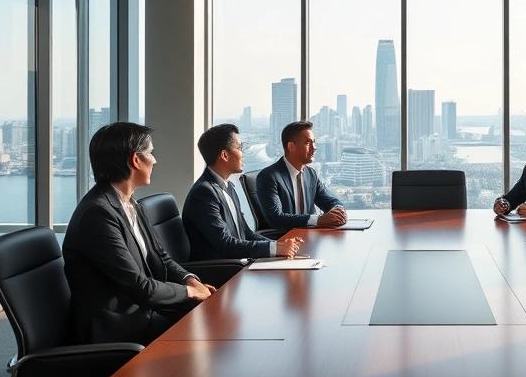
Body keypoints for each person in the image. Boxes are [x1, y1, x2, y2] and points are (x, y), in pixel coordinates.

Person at [63, 122, 215, 346]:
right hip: (119, 330)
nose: (155, 160)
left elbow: (162, 257)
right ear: (136, 160)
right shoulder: (97, 214)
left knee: (214, 324)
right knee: (207, 338)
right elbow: (141, 287)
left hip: (145, 313)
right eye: (151, 153)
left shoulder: (132, 205)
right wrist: (190, 293)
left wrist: (190, 280)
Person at [182, 124, 302, 260]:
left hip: (238, 263)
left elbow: (246, 233)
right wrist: (275, 249)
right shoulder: (203, 194)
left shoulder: (228, 187)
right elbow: (226, 245)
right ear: (224, 155)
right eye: (239, 148)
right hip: (222, 271)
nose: (243, 154)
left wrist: (278, 245)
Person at [256, 121, 346, 230]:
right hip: (285, 240)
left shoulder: (311, 174)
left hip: (310, 238)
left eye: (314, 142)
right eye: (308, 143)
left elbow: (329, 200)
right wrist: (318, 220)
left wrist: (337, 210)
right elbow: (276, 219)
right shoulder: (269, 177)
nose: (314, 147)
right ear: (291, 146)